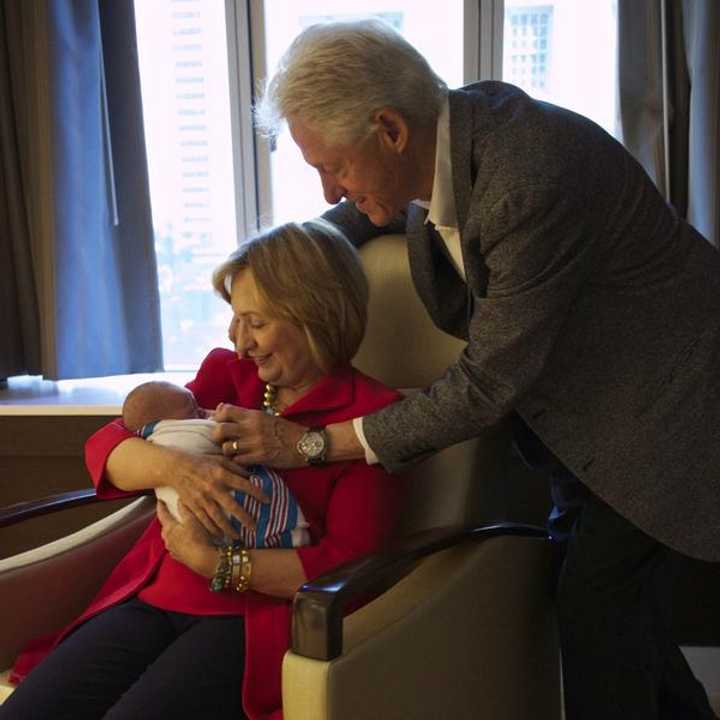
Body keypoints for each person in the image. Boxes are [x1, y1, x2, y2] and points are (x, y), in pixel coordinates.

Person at [214, 19, 720, 720]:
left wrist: (310, 444)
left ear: (389, 128)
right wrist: (291, 260)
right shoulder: (441, 142)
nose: (329, 189)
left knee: (597, 615)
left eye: (334, 166)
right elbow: (362, 218)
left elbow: (486, 382)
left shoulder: (529, 173)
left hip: (667, 413)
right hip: (582, 426)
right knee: (621, 629)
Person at [2, 220, 403, 720]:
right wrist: (176, 469)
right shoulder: (227, 376)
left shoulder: (371, 418)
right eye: (235, 321)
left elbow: (349, 565)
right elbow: (108, 444)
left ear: (315, 318)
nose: (240, 344)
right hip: (153, 594)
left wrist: (217, 564)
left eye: (256, 324)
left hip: (248, 619)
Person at [121, 380, 311, 548]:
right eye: (198, 411)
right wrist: (173, 465)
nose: (243, 345)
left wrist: (209, 561)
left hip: (252, 561)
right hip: (178, 538)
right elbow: (104, 442)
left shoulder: (179, 407)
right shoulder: (176, 421)